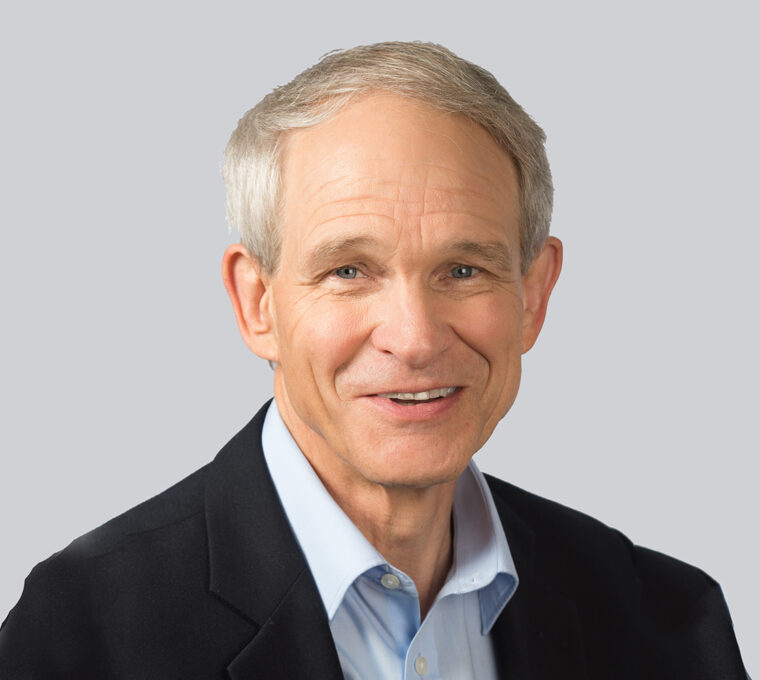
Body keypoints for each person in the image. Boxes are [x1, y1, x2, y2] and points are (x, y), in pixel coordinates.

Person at [0, 41, 748, 679]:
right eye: (348, 271)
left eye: (464, 270)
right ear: (258, 303)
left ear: (533, 295)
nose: (414, 338)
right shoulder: (81, 636)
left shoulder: (665, 622)